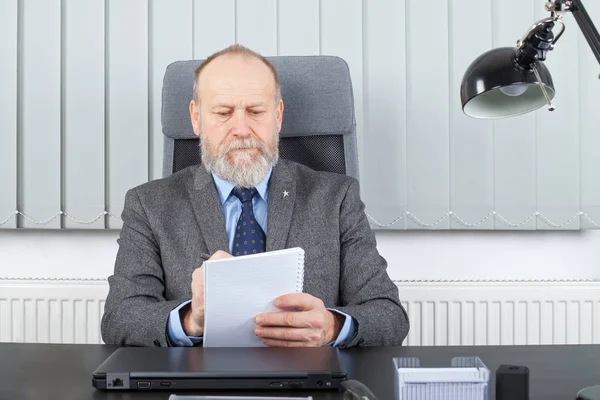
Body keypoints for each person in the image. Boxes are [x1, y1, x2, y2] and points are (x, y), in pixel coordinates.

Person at [101, 44, 409, 348]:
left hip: (306, 381)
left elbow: (389, 315)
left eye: (255, 111)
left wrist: (331, 327)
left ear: (277, 115)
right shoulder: (150, 205)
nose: (242, 129)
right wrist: (191, 320)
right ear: (196, 118)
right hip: (199, 383)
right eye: (223, 113)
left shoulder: (336, 198)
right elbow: (120, 318)